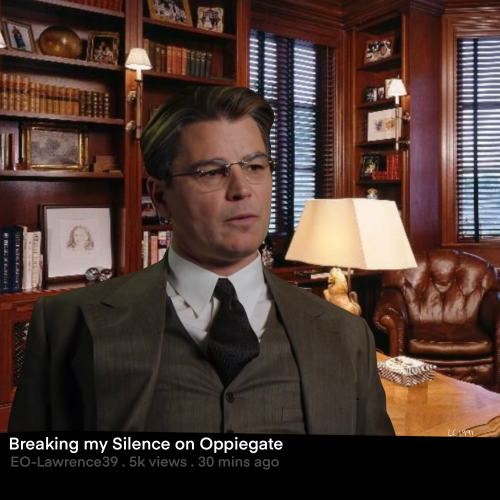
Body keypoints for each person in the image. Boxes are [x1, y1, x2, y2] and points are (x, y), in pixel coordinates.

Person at [8, 86, 395, 435]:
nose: (242, 189)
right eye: (211, 172)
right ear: (161, 197)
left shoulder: (347, 334)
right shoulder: (67, 324)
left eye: (255, 167)